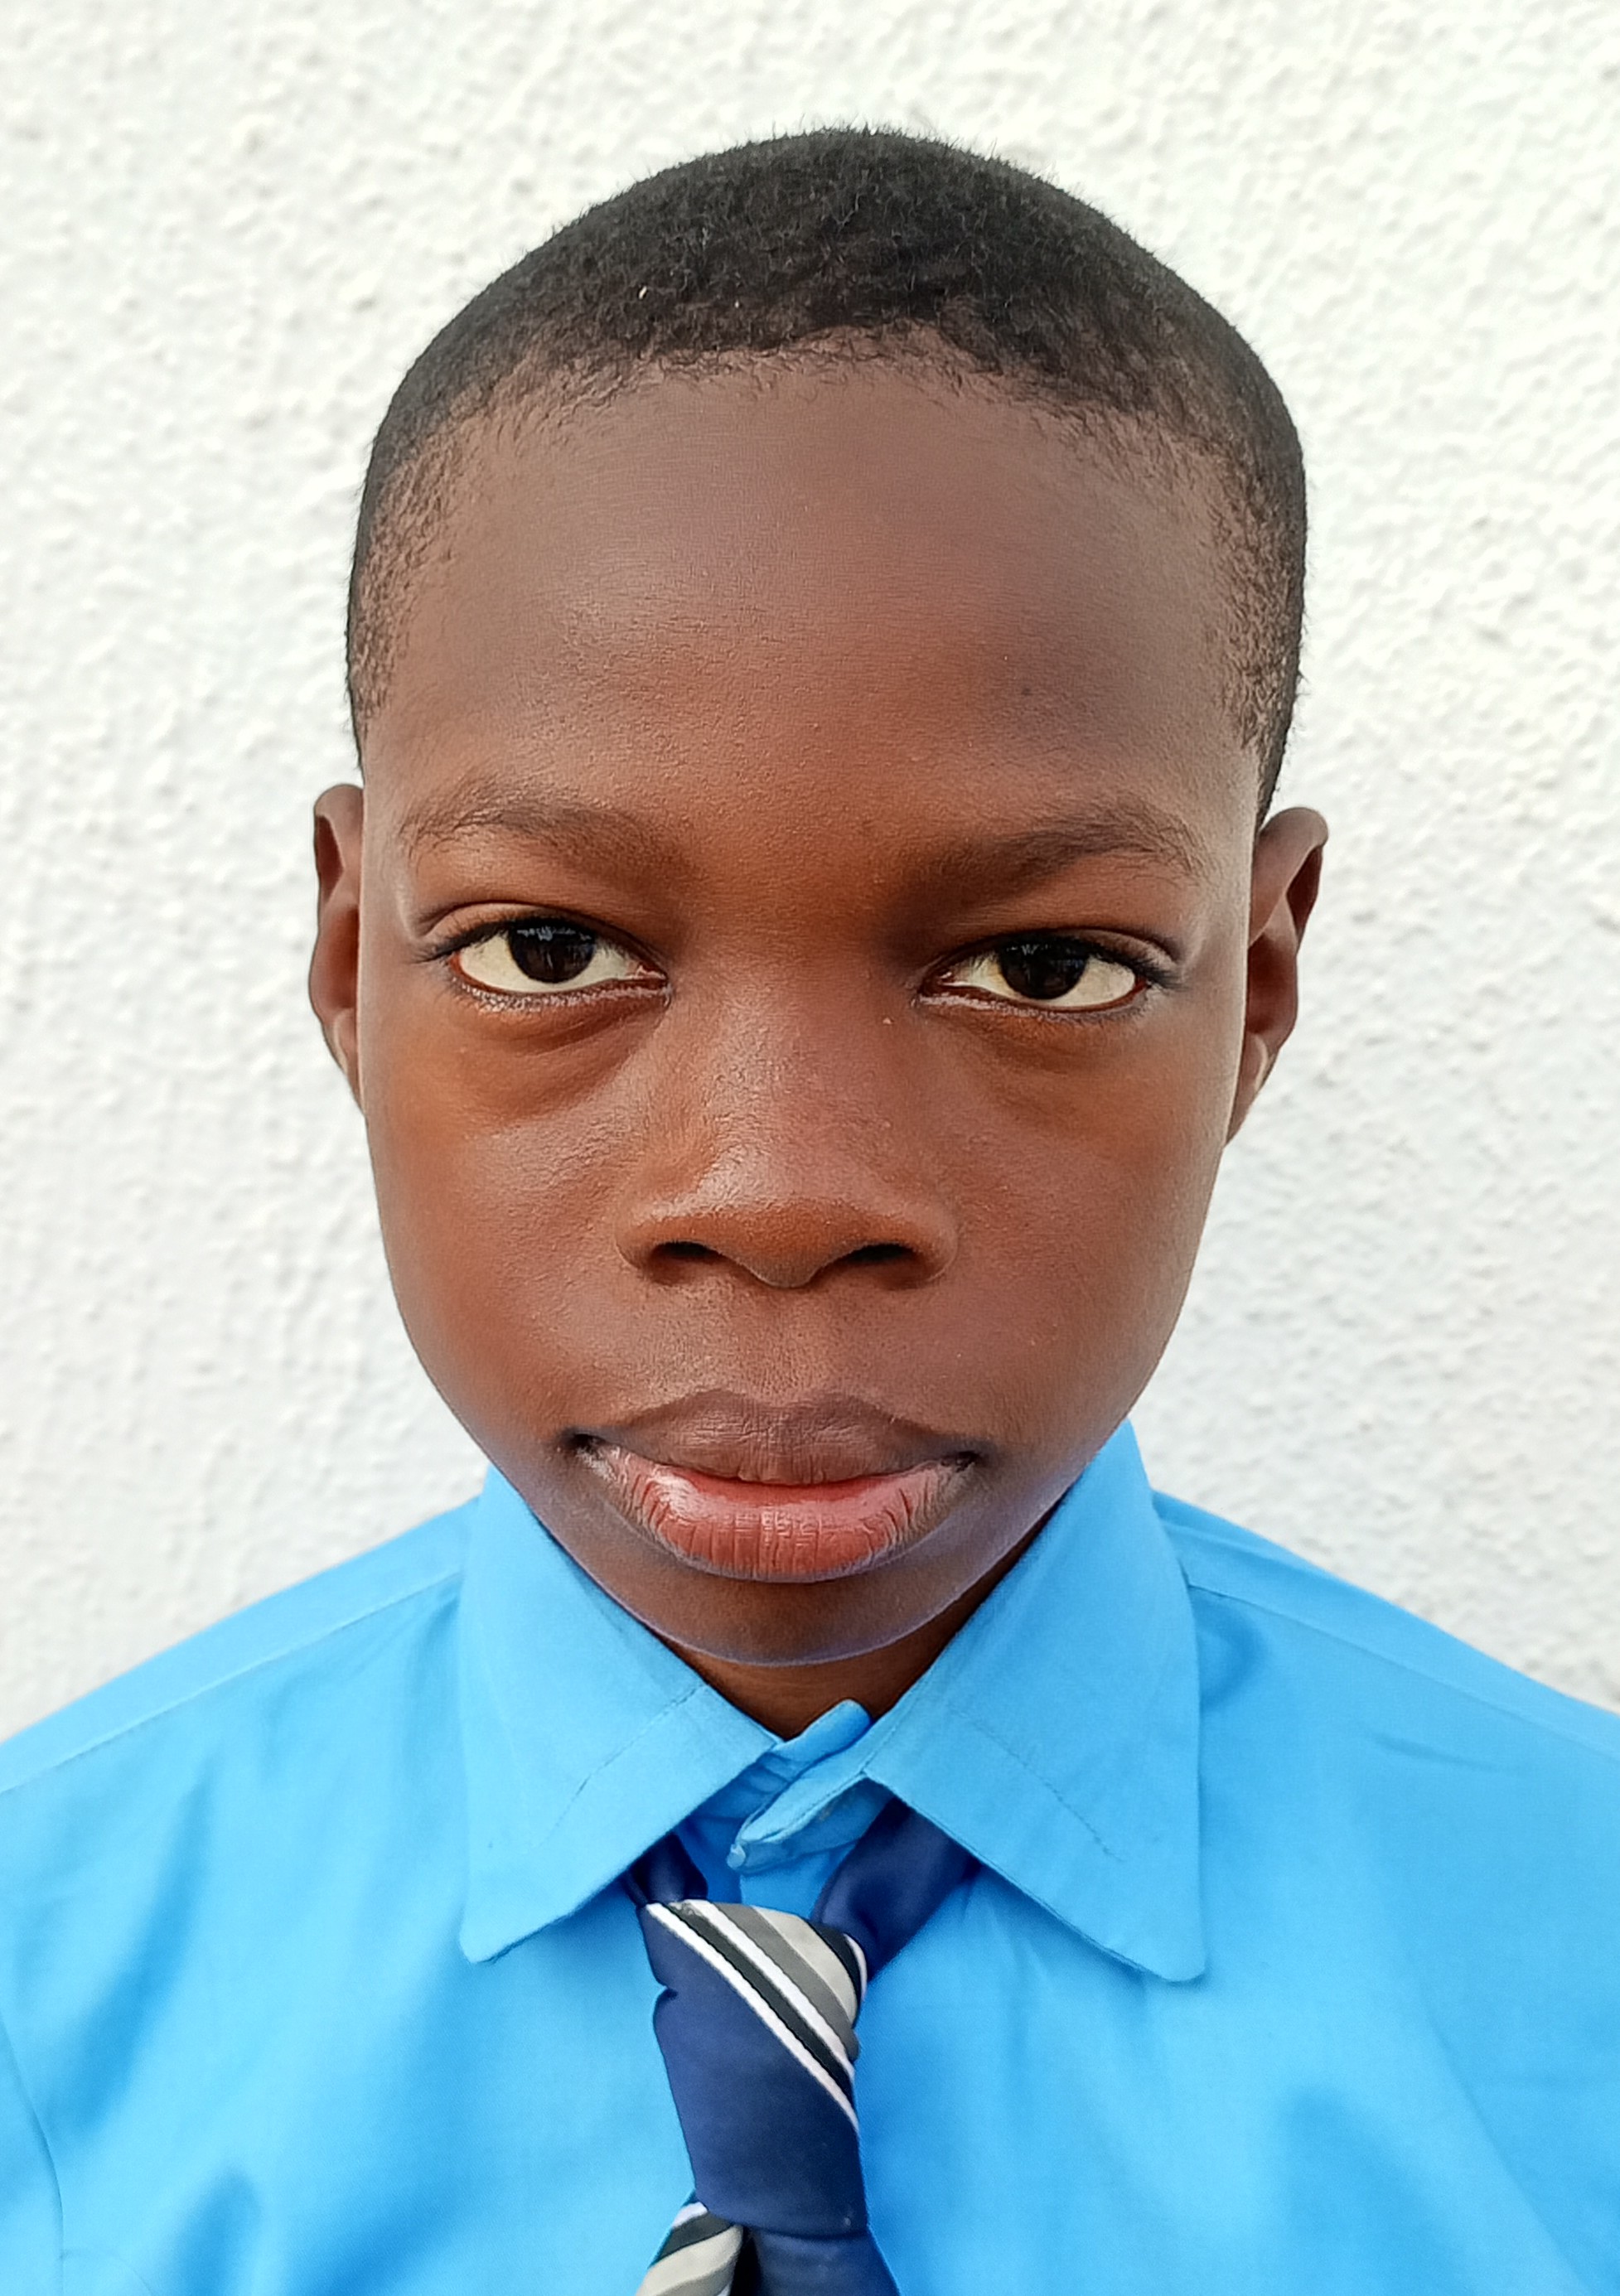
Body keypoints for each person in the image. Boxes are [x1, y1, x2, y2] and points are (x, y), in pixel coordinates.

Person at [1, 128, 1615, 2296]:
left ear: (1253, 988)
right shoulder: (42, 1983)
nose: (777, 1197)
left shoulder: (1575, 1974)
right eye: (551, 948)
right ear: (352, 960)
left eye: (1042, 965)